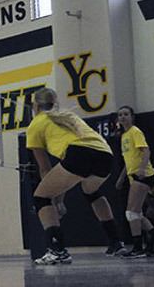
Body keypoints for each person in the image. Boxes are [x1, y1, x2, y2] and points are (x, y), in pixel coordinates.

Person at [26, 87, 125, 265]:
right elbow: (65, 173)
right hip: (105, 155)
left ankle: (57, 251)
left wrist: (55, 201)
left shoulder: (36, 124)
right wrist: (59, 199)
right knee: (91, 191)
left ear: (36, 107)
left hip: (79, 154)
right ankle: (116, 242)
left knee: (41, 197)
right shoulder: (67, 116)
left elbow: (45, 169)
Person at [114, 106, 154, 258]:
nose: (122, 117)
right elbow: (128, 160)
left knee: (131, 212)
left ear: (132, 117)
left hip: (143, 175)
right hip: (133, 176)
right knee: (136, 214)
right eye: (120, 115)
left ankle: (138, 248)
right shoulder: (124, 136)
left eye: (126, 114)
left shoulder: (135, 132)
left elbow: (146, 151)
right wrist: (121, 178)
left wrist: (142, 168)